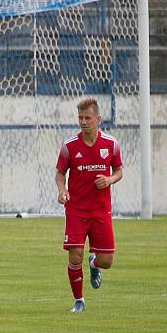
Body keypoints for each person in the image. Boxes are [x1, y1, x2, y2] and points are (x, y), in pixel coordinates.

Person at [56, 98, 123, 313]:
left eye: (87, 118)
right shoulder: (69, 147)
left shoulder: (111, 144)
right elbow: (60, 173)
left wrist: (110, 180)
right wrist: (63, 190)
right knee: (75, 254)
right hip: (76, 209)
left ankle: (94, 264)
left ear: (98, 119)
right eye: (80, 118)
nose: (83, 122)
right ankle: (79, 300)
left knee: (107, 261)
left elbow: (119, 171)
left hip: (101, 210)